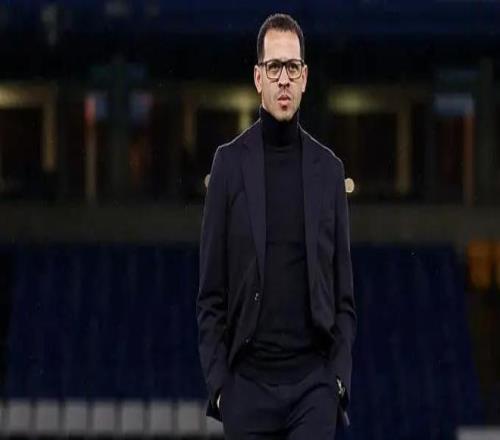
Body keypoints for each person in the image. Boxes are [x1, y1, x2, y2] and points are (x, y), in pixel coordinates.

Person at [197, 13, 356, 440]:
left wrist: (336, 381)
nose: (283, 79)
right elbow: (210, 294)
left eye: (292, 67)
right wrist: (221, 388)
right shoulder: (228, 165)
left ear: (305, 78)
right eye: (274, 67)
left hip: (313, 389)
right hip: (246, 391)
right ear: (258, 77)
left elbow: (344, 296)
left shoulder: (329, 170)